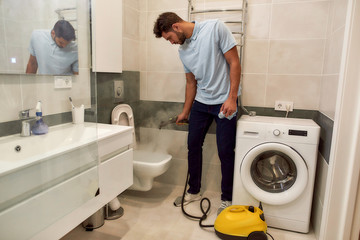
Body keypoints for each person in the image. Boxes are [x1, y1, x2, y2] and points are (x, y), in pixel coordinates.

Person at [153, 12, 241, 214]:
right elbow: (191, 83)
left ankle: (227, 198)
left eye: (169, 39)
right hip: (202, 102)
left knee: (225, 151)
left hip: (224, 101)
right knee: (193, 146)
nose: (172, 43)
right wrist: (185, 112)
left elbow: (234, 62)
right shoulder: (183, 51)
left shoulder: (215, 28)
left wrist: (232, 98)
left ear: (176, 27)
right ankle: (194, 191)